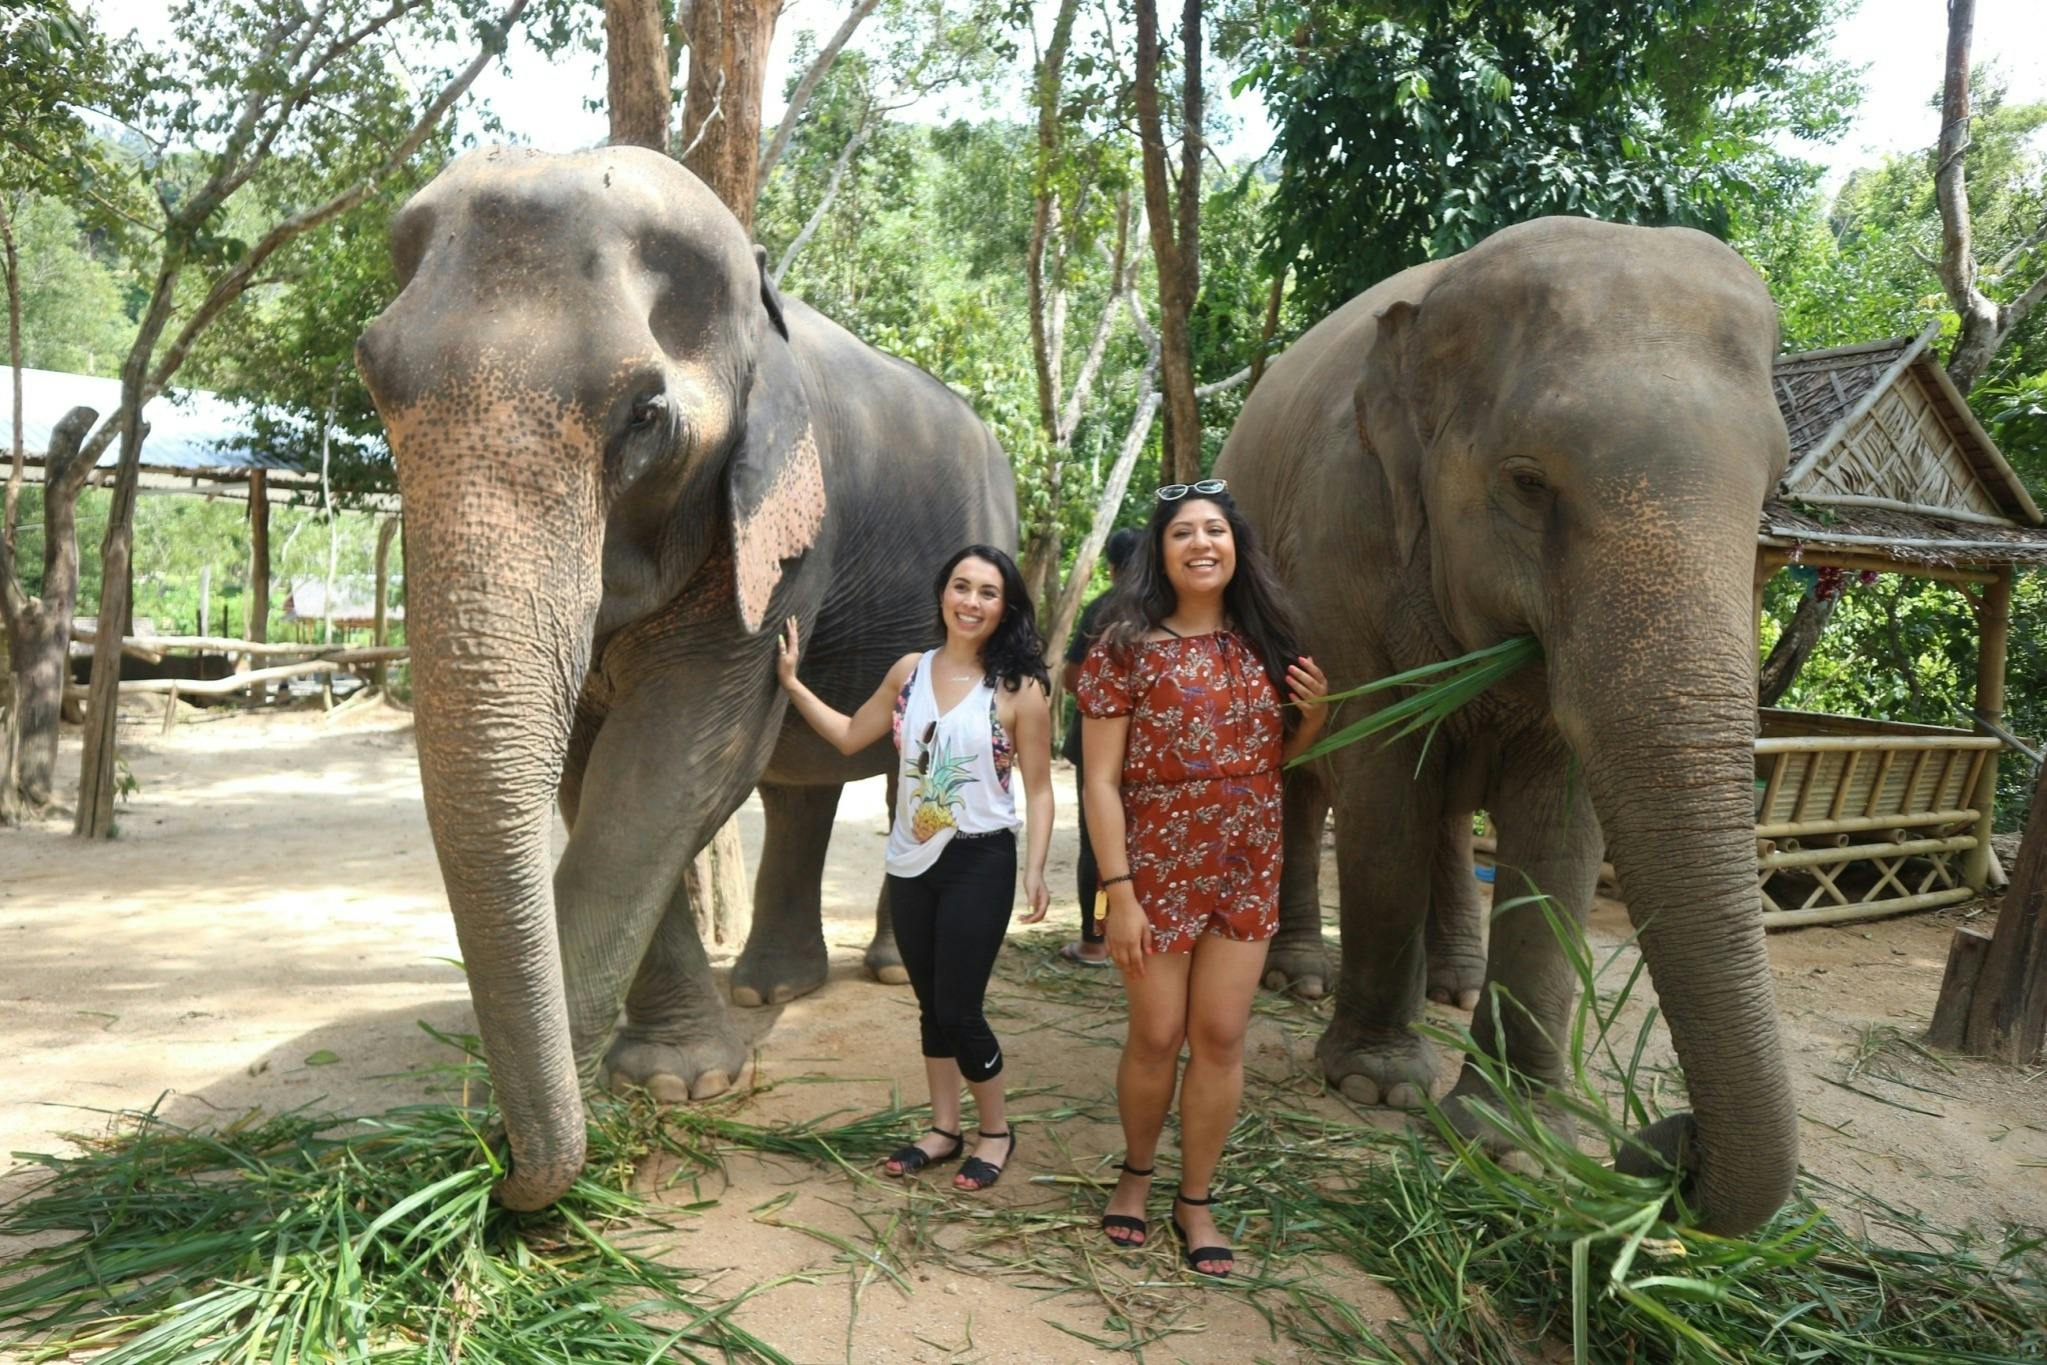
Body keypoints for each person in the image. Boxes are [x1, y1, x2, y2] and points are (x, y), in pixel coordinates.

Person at [1076, 480, 1328, 1277]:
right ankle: (1135, 1175)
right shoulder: (1123, 644)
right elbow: (1099, 782)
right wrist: (1117, 893)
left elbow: (1274, 764)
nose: (1200, 543)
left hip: (1247, 864)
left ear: (1235, 546)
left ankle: (1195, 1198)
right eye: (1182, 532)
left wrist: (1314, 717)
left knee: (1219, 1035)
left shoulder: (1269, 641)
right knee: (1156, 1033)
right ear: (1160, 552)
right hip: (1153, 868)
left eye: (1214, 530)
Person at [776, 545, 1054, 1191]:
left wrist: (1035, 869)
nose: (971, 601)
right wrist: (791, 683)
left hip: (979, 859)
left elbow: (1038, 788)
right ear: (942, 592)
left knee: (961, 1008)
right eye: (961, 586)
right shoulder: (909, 671)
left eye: (987, 592)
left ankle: (995, 1130)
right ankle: (942, 1127)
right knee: (931, 1005)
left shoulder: (1018, 689)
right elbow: (849, 735)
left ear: (1004, 607)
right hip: (908, 861)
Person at [1060, 526, 1142, 966]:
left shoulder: (1101, 609)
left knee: (1098, 847)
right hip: (1149, 755)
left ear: (1110, 568)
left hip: (1095, 752)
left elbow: (1072, 677)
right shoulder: (1163, 610)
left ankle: (1095, 939)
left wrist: (1104, 695)